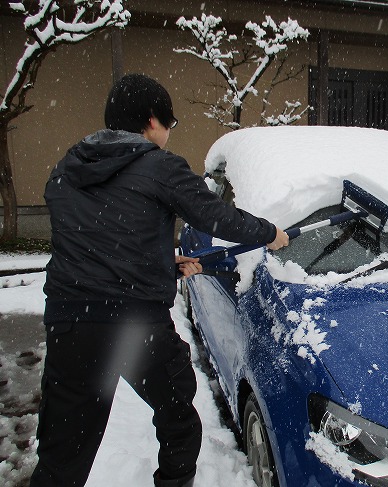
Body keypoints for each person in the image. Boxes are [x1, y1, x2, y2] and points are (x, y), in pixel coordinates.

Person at [30, 73, 289, 487]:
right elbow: (216, 216)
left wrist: (162, 266)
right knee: (179, 424)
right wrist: (269, 232)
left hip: (70, 325)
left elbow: (96, 248)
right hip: (134, 325)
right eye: (170, 123)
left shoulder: (67, 170)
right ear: (152, 121)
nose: (169, 133)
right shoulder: (159, 166)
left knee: (64, 451)